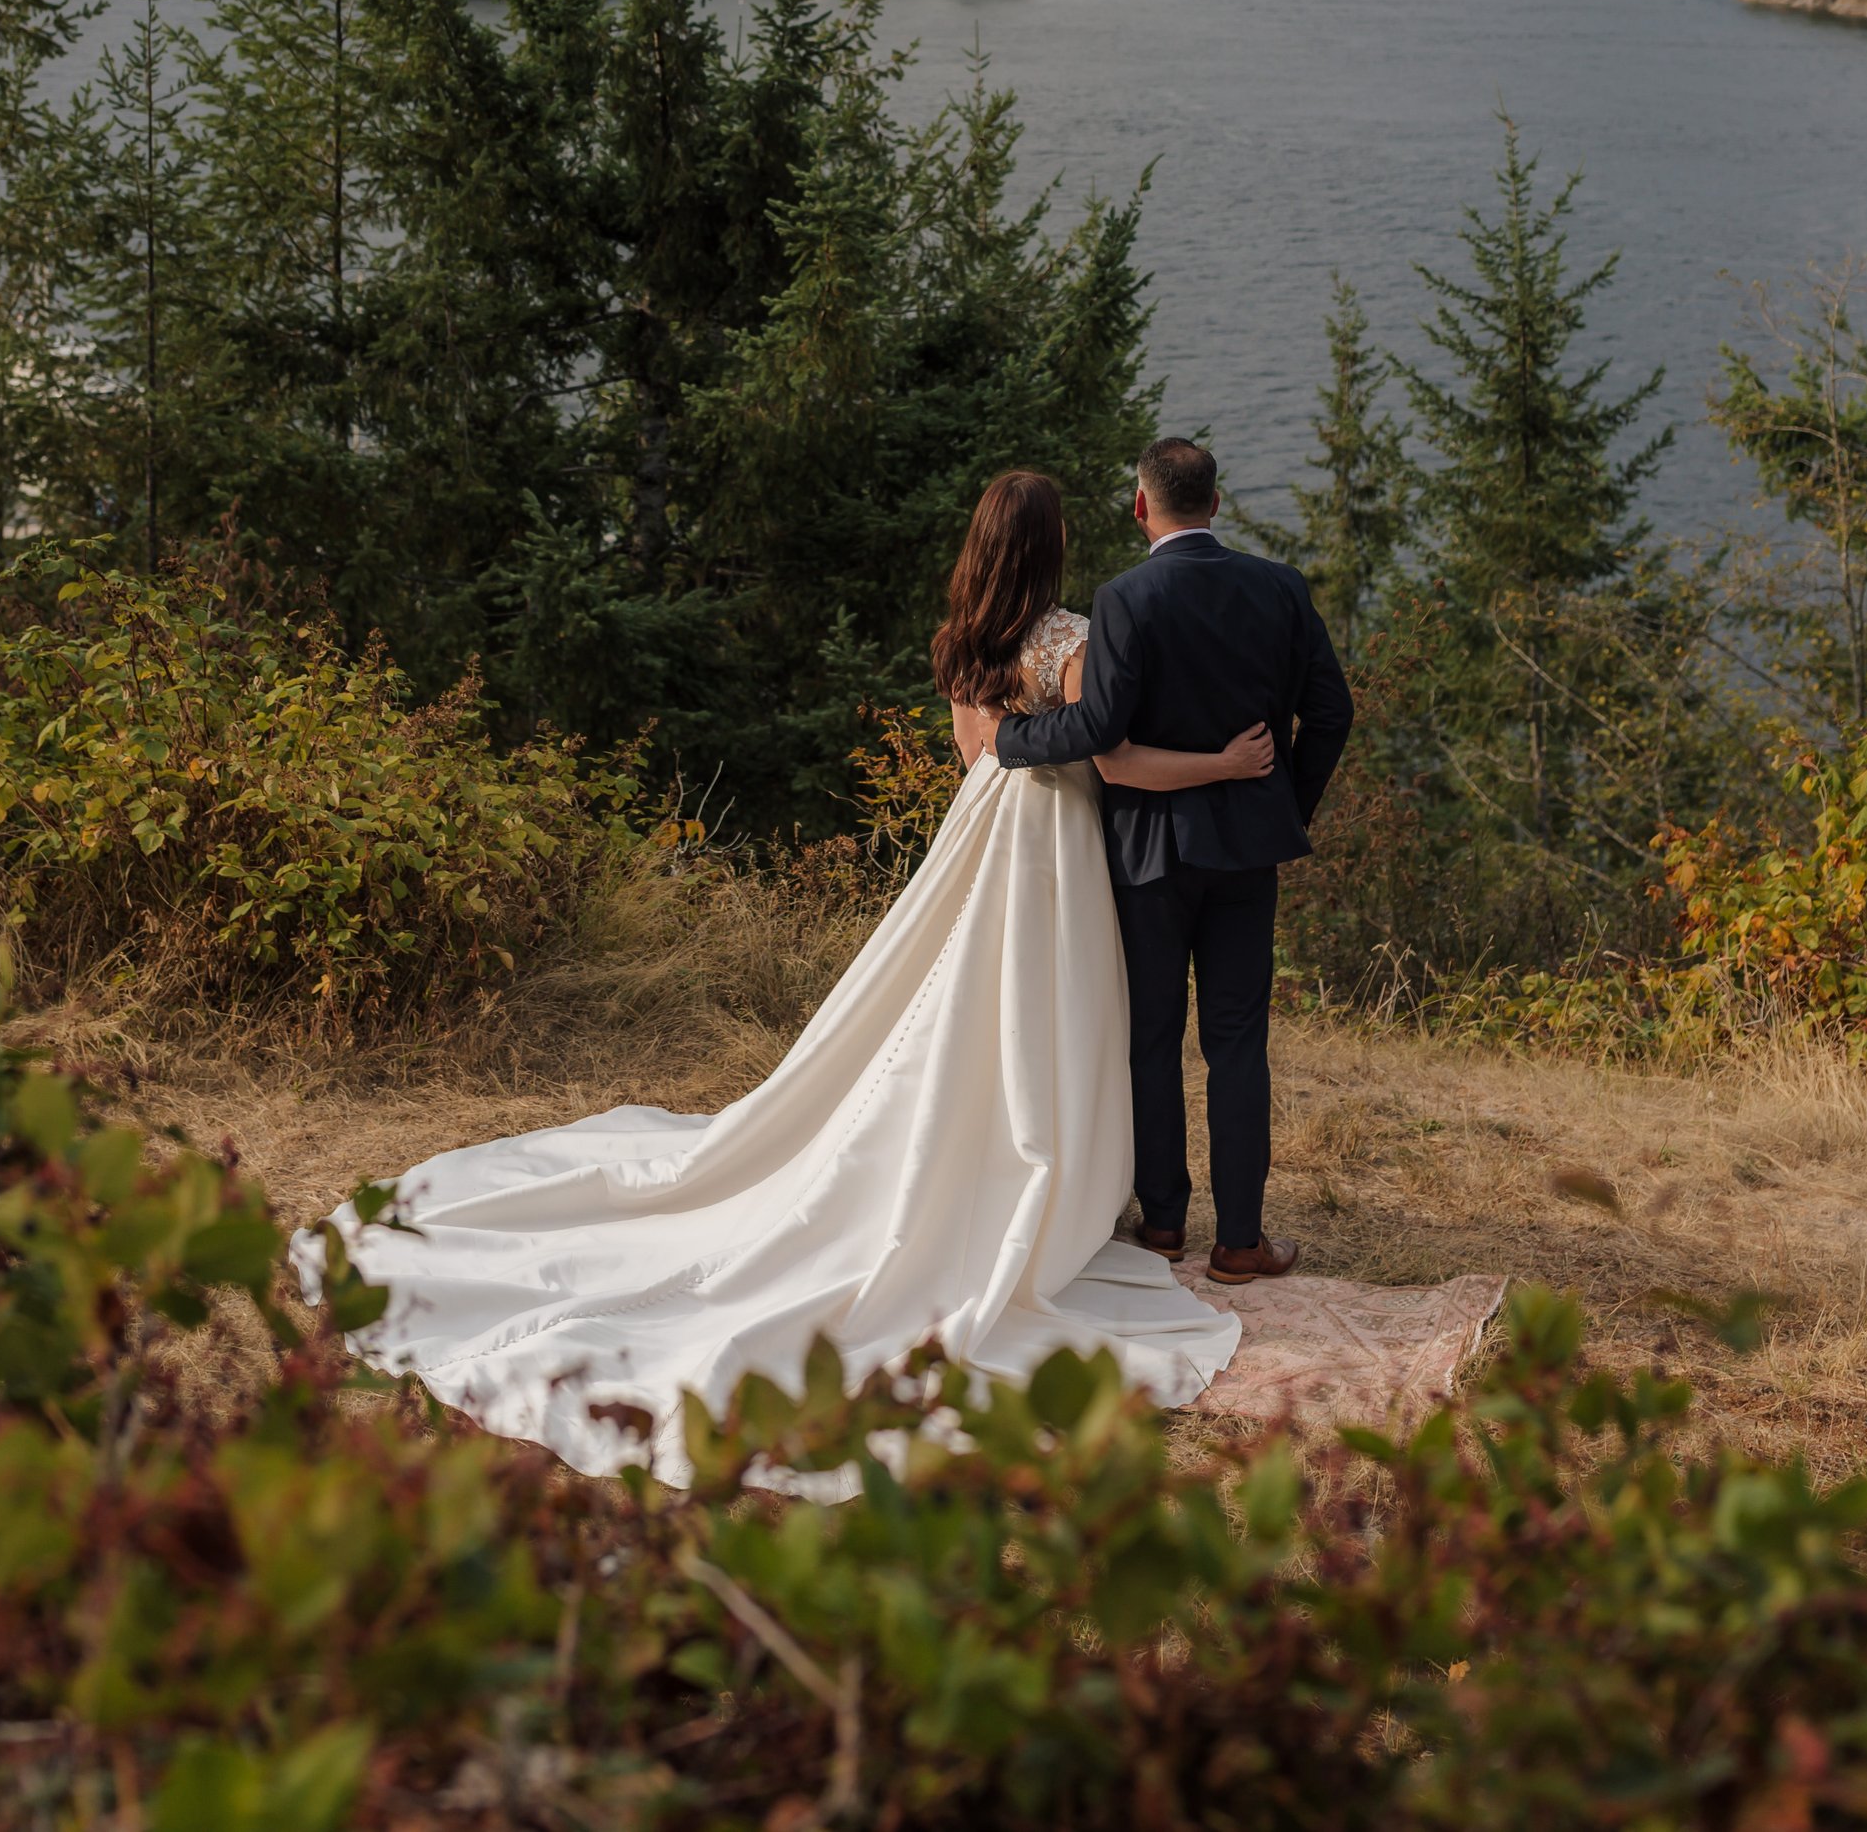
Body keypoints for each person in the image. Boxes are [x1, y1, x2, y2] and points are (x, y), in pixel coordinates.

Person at [323, 467, 1275, 1474]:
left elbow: (975, 759)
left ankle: (1003, 1155)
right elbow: (1111, 764)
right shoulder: (1074, 641)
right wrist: (1224, 765)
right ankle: (1072, 1176)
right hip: (1058, 846)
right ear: (1050, 549)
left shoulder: (962, 638)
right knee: (1064, 1016)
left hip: (983, 835)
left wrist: (1016, 752)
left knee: (963, 1003)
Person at [996, 435, 1353, 1283]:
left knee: (1149, 1040)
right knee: (1236, 1044)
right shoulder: (1279, 588)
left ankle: (1162, 1225)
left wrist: (1013, 739)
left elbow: (1098, 730)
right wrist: (1280, 808)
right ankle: (1239, 1242)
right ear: (1217, 505)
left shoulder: (1125, 598)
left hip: (1147, 854)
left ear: (1140, 506)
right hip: (1243, 857)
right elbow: (1332, 714)